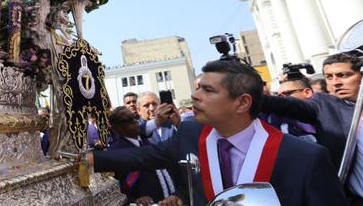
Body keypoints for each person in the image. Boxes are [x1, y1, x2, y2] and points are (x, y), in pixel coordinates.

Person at [87, 59, 347, 206]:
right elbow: (141, 157)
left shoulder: (304, 158)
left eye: (208, 91)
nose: (194, 96)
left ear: (242, 102)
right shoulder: (190, 135)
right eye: (199, 88)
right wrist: (87, 161)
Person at [261, 53, 362, 203]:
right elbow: (288, 105)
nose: (335, 82)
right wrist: (245, 97)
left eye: (343, 75)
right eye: (329, 77)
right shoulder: (322, 105)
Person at [107, 106, 177, 205]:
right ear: (116, 128)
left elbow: (147, 127)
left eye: (135, 117)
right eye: (129, 120)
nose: (136, 121)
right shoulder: (115, 152)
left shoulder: (144, 140)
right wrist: (134, 200)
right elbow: (116, 189)